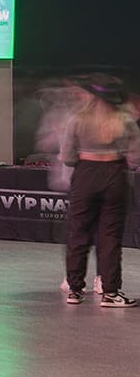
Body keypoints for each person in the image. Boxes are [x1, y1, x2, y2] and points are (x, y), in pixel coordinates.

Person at [58, 77, 140, 306]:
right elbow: (135, 159)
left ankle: (75, 290)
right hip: (114, 175)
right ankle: (110, 292)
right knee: (110, 236)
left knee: (78, 233)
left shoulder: (77, 120)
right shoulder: (126, 120)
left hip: (85, 174)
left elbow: (67, 157)